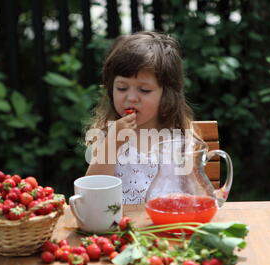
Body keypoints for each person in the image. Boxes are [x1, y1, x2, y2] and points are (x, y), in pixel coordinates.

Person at [84, 31, 197, 204]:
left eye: (144, 90)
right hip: (119, 227)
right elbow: (91, 195)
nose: (131, 98)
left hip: (167, 226)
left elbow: (194, 194)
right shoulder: (107, 135)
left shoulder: (179, 138)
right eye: (122, 88)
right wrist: (112, 143)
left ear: (166, 94)